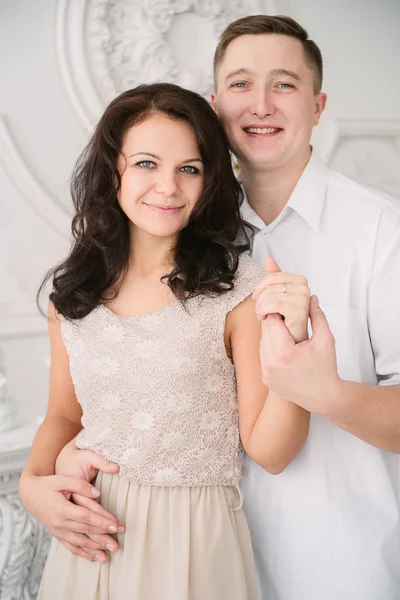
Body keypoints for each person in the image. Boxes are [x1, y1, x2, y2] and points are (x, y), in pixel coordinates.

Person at [21, 82, 312, 599]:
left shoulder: (237, 290)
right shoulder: (73, 296)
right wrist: (32, 486)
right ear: (113, 169)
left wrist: (294, 350)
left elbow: (270, 452)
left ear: (209, 181)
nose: (169, 187)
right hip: (93, 536)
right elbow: (63, 418)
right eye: (147, 164)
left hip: (194, 541)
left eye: (190, 169)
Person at [210, 14, 400, 600]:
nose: (260, 103)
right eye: (241, 84)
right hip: (208, 562)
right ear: (215, 104)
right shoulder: (177, 232)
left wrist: (327, 394)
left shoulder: (381, 227)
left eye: (284, 84)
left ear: (318, 106)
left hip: (343, 564)